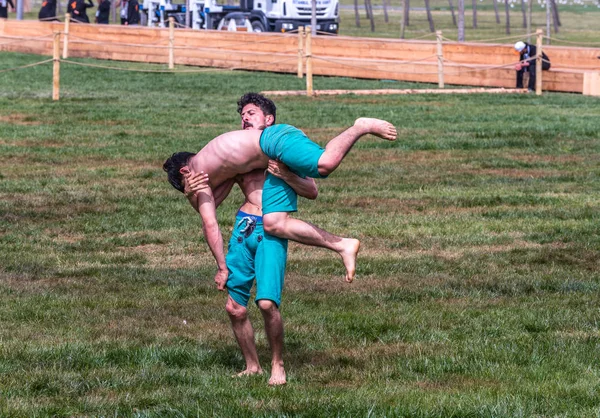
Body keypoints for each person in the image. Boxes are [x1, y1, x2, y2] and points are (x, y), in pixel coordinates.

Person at [164, 114, 396, 287]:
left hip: (274, 140)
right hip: (272, 151)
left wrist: (222, 268)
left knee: (324, 164)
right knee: (274, 223)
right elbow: (212, 203)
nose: (194, 191)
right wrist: (190, 196)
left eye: (186, 187)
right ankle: (342, 245)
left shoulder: (200, 174)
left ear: (185, 172)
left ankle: (360, 126)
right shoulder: (217, 166)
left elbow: (209, 222)